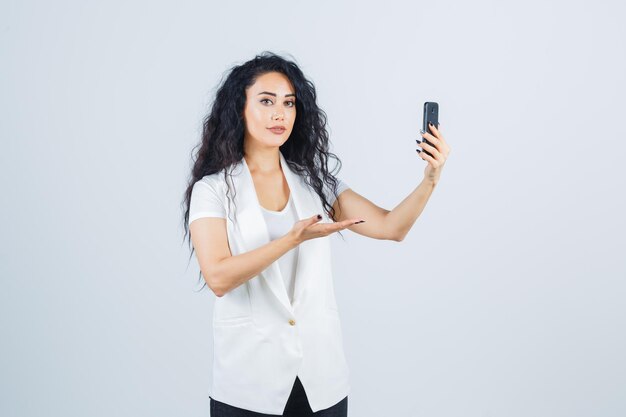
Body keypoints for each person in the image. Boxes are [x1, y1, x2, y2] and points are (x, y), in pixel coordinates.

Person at [182, 51, 450, 416]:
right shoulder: (213, 190)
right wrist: (290, 240)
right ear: (238, 110)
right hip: (248, 385)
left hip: (320, 382)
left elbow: (392, 227)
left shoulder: (315, 184)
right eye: (266, 101)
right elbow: (217, 276)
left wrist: (431, 179)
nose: (280, 113)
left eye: (289, 103)